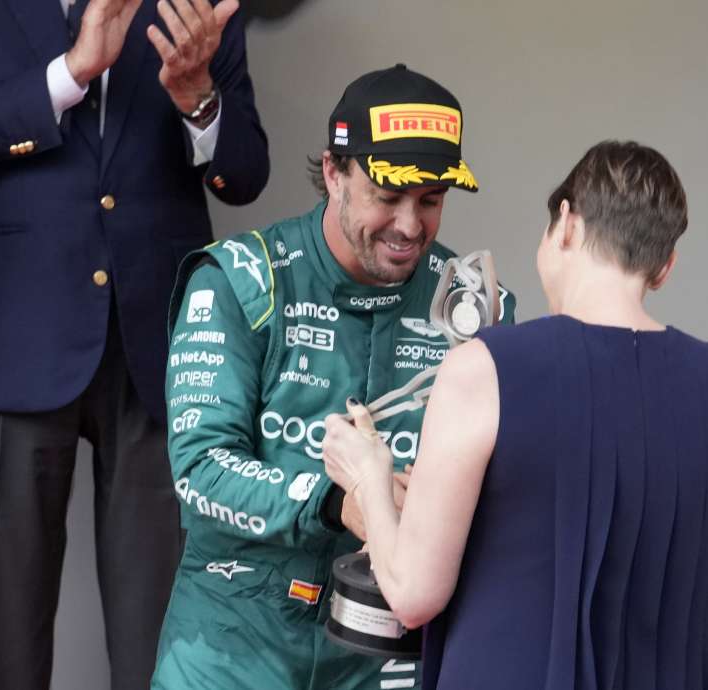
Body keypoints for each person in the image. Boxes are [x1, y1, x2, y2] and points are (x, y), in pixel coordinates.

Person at [322, 140, 708, 690]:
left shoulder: (485, 366)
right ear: (665, 267)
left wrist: (367, 477)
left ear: (566, 225)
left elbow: (411, 593)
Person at [150, 64, 515, 690]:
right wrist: (339, 502)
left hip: (388, 649)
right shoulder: (243, 279)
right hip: (232, 639)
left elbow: (510, 483)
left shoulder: (474, 307)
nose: (409, 226)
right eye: (387, 195)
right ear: (333, 173)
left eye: (430, 201)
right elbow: (201, 467)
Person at [0, 0, 269, 687]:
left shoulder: (197, 5)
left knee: (166, 641)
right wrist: (68, 76)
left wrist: (199, 101)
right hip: (8, 332)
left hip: (161, 345)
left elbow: (245, 175)